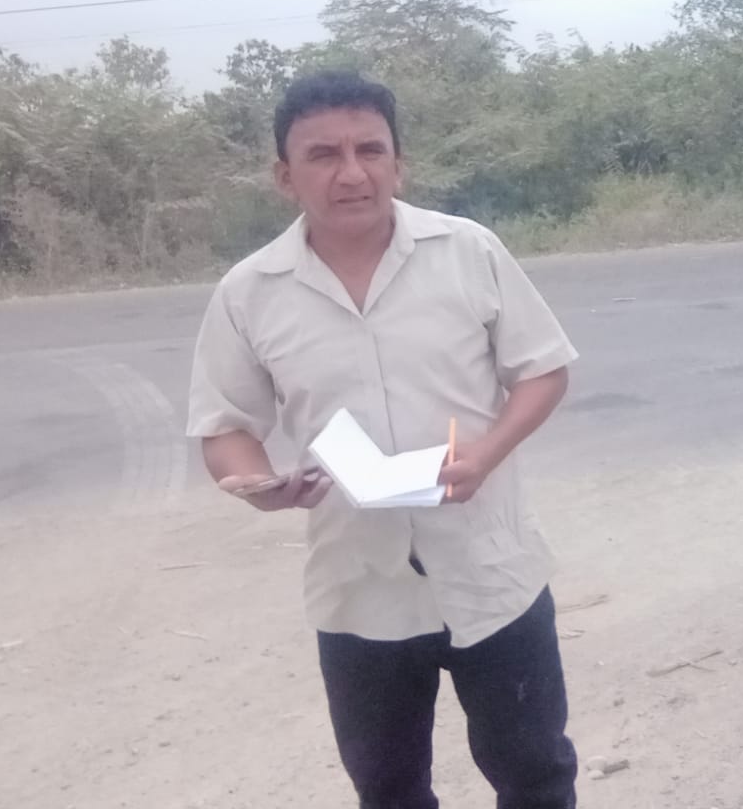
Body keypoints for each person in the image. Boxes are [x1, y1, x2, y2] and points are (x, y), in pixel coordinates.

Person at [187, 69, 579, 809]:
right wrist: (261, 488)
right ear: (284, 175)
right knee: (389, 790)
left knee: (536, 776)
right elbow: (225, 428)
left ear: (399, 162)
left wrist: (487, 453)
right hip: (358, 592)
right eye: (323, 155)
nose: (352, 173)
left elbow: (543, 371)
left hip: (494, 574)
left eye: (370, 149)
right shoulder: (249, 292)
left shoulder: (467, 251)